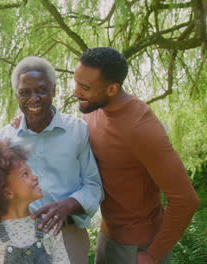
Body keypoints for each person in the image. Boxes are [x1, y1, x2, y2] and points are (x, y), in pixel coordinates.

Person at [73, 47, 200, 264]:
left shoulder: (142, 128)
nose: (76, 92)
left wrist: (153, 255)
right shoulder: (94, 109)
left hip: (138, 248)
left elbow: (185, 200)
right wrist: (26, 122)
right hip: (107, 237)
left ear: (112, 89)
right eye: (75, 82)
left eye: (84, 87)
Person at [0, 56, 103, 263]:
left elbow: (94, 186)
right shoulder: (4, 139)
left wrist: (68, 205)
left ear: (53, 90)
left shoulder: (78, 131)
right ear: (17, 95)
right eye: (25, 93)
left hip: (69, 238)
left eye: (41, 90)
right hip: (20, 241)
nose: (34, 99)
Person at [0, 140, 70, 264]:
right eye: (25, 174)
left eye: (31, 172)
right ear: (8, 192)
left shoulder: (48, 225)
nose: (35, 177)